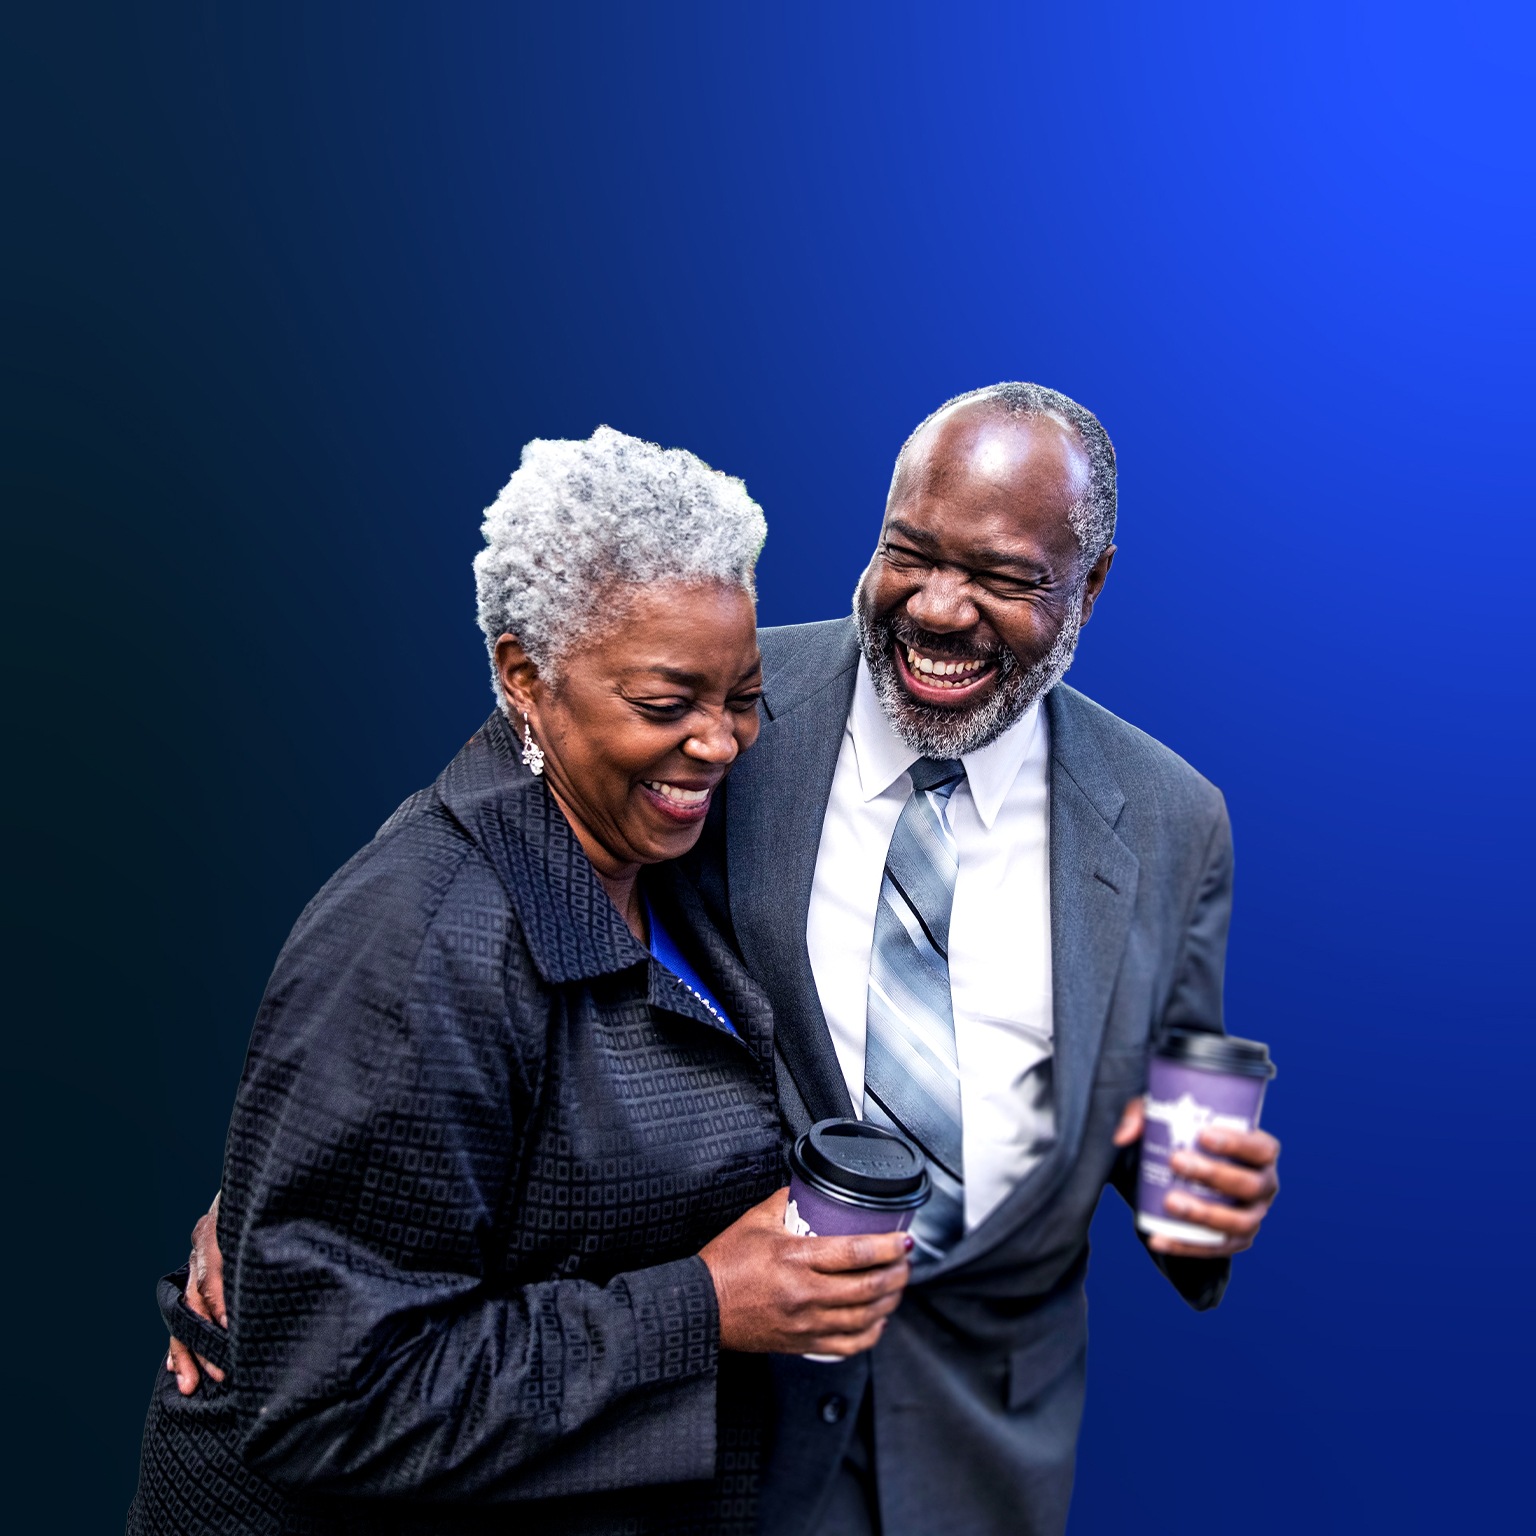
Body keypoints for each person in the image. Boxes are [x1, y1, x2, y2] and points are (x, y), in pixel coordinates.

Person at [170, 385, 1283, 1536]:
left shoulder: (1171, 820)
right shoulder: (727, 701)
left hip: (976, 1459)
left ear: (1088, 586)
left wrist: (1189, 1201)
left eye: (1002, 579)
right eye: (910, 553)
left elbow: (1159, 1106)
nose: (941, 609)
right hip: (703, 1449)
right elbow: (490, 860)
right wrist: (285, 1191)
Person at [130, 427, 916, 1536]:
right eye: (665, 704)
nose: (720, 742)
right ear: (523, 678)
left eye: (742, 695)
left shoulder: (665, 848)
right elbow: (330, 1397)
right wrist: (702, 1308)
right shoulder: (420, 946)